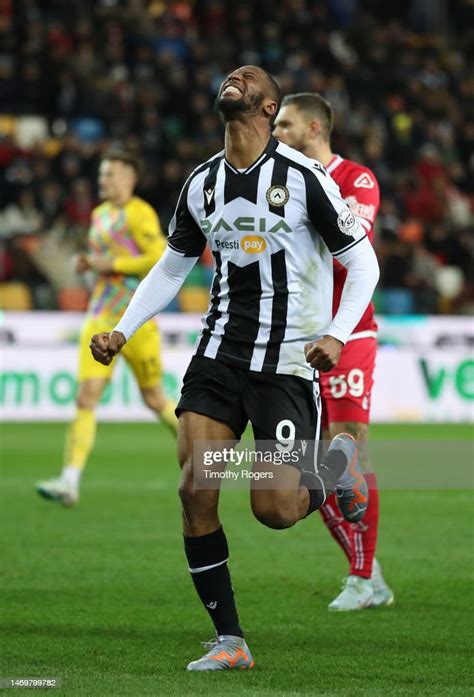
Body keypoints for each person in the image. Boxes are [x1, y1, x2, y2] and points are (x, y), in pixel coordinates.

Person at [90, 66, 380, 671]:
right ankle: (231, 642)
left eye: (247, 78)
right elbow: (172, 269)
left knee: (275, 510)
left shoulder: (306, 180)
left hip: (286, 364)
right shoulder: (200, 183)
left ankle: (336, 464)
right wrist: (124, 326)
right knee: (196, 486)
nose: (233, 78)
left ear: (269, 107)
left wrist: (335, 333)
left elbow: (365, 266)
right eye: (228, 74)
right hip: (219, 355)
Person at [273, 92, 394, 610]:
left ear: (315, 128)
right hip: (296, 337)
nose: (275, 134)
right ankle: (370, 570)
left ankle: (362, 579)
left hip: (349, 334)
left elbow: (353, 249)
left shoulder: (356, 179)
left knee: (347, 449)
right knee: (308, 467)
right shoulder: (281, 183)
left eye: (285, 126)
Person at [36, 150, 178, 507]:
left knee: (154, 398)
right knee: (86, 397)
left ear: (129, 178)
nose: (103, 181)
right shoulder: (99, 215)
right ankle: (69, 481)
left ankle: (212, 451)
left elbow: (159, 256)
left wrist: (110, 262)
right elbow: (105, 261)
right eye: (102, 175)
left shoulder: (139, 212)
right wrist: (88, 263)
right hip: (100, 315)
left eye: (110, 174)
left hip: (136, 320)